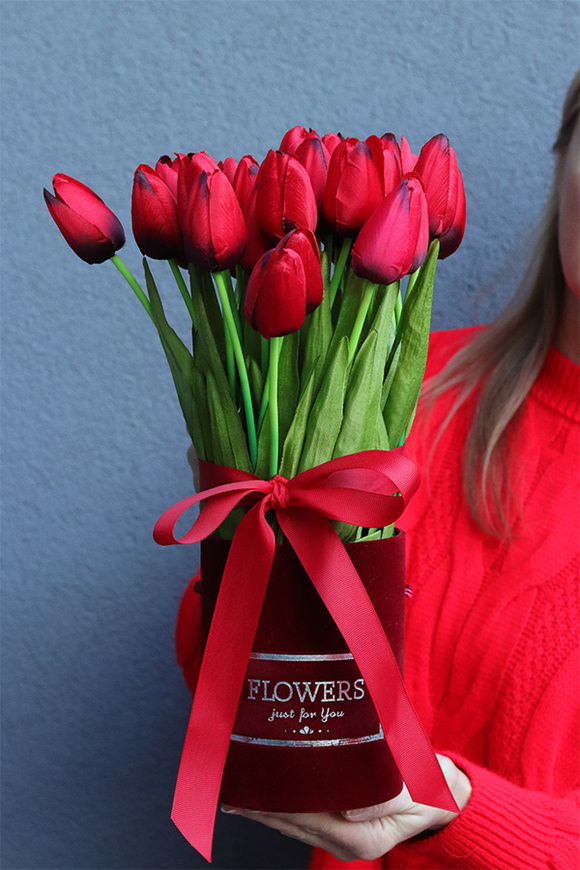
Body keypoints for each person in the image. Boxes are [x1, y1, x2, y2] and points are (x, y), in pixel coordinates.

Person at [219, 72, 580, 869]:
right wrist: (237, 581)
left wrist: (447, 802)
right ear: (564, 161)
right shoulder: (390, 397)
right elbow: (245, 680)